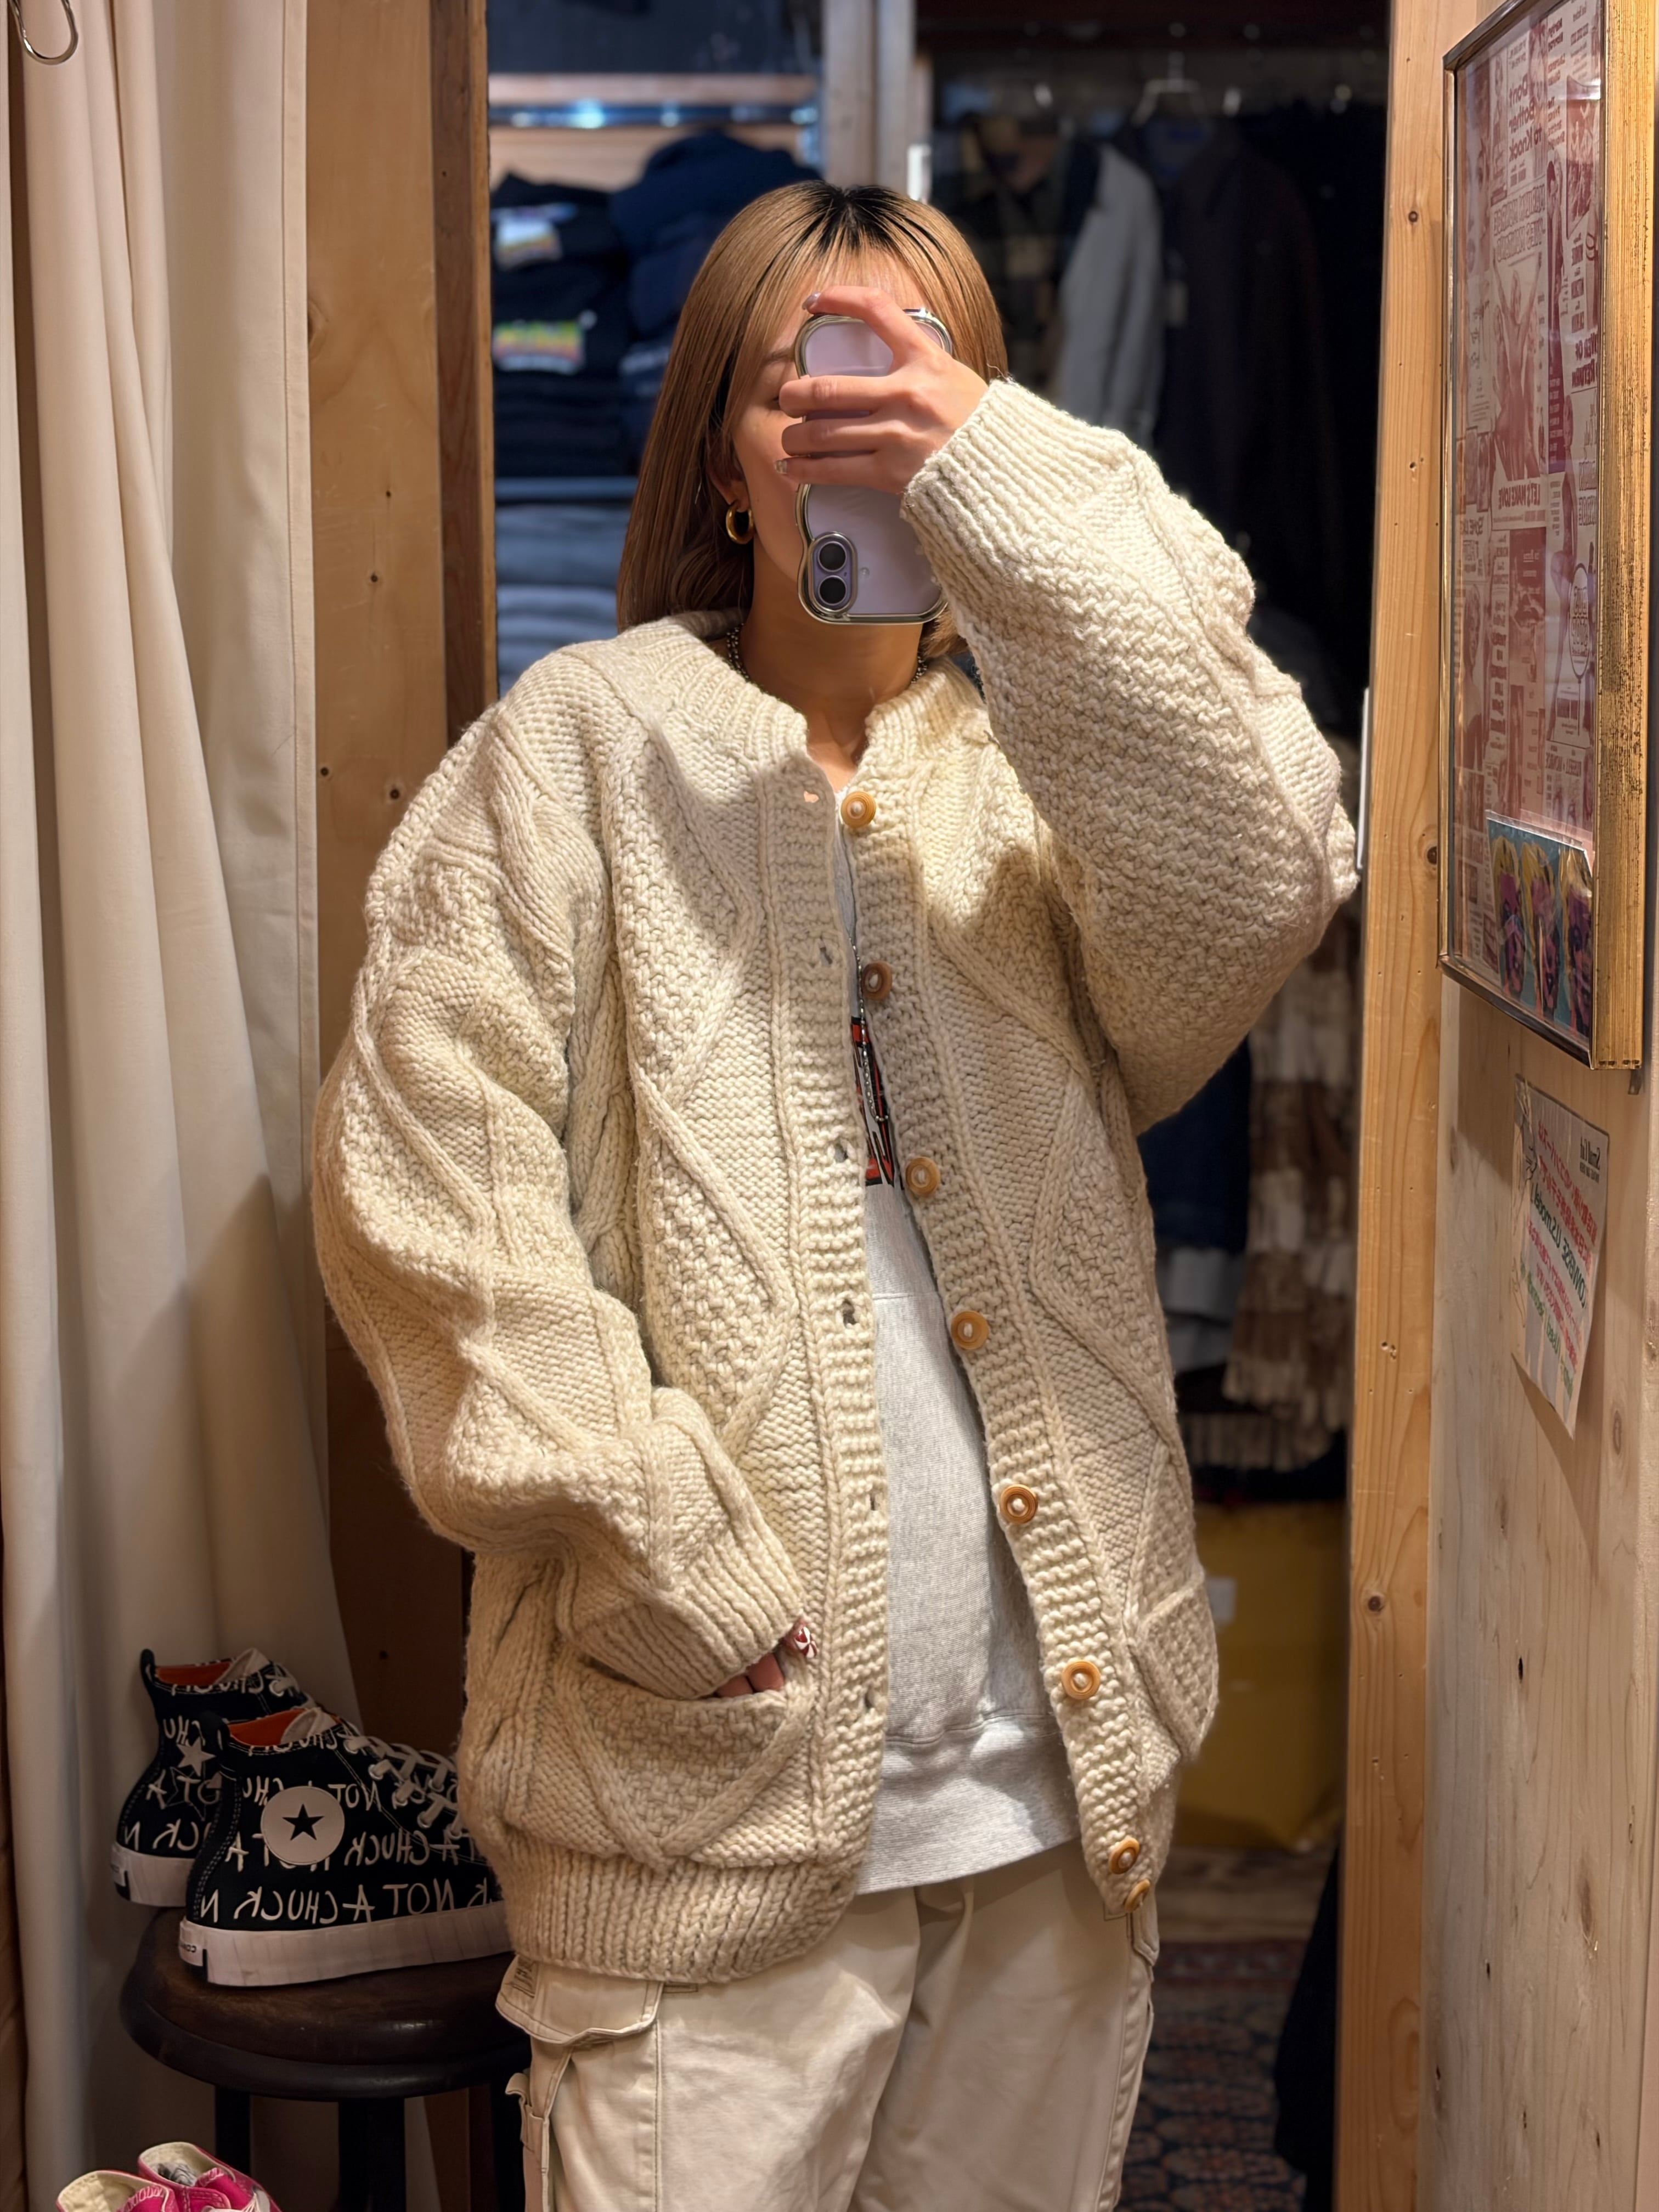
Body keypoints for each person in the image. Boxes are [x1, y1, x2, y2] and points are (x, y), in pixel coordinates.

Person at [312, 182, 1356, 2212]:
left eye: (918, 370)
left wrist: (1005, 485)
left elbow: (1271, 861)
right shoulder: (578, 751)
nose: (867, 419)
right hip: (698, 1788)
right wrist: (664, 1558)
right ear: (722, 451)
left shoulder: (1056, 771)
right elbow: (430, 1202)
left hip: (1054, 1787)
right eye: (815, 378)